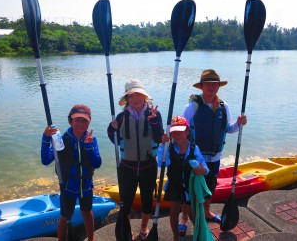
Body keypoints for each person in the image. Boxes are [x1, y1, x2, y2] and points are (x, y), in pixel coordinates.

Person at [183, 69, 247, 223]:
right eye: (208, 84)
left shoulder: (224, 107)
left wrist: (239, 124)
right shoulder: (192, 106)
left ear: (218, 87)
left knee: (210, 187)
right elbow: (183, 129)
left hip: (215, 156)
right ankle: (185, 218)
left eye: (215, 85)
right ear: (202, 86)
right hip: (196, 157)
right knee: (191, 188)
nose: (212, 87)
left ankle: (206, 212)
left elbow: (229, 128)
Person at [107, 79, 164, 240]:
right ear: (127, 99)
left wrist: (154, 122)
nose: (136, 98)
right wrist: (112, 129)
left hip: (148, 165)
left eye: (138, 94)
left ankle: (144, 226)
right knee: (126, 200)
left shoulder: (154, 114)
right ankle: (126, 228)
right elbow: (114, 140)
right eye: (131, 96)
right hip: (127, 167)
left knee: (147, 198)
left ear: (144, 96)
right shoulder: (121, 116)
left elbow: (160, 138)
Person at [41, 104, 102, 241]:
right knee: (65, 217)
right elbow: (45, 160)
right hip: (67, 186)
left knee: (87, 212)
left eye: (84, 120)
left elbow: (97, 163)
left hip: (86, 185)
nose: (81, 123)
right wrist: (46, 138)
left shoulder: (92, 139)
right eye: (77, 120)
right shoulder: (61, 140)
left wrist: (89, 147)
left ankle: (91, 239)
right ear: (70, 121)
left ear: (89, 122)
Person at [158, 115, 209, 241]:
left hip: (189, 186)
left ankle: (199, 233)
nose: (177, 135)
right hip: (174, 185)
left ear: (187, 131)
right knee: (174, 212)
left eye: (180, 131)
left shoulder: (194, 148)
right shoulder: (169, 148)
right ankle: (176, 236)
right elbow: (161, 163)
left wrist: (201, 169)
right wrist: (162, 145)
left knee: (191, 211)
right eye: (174, 132)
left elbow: (205, 169)